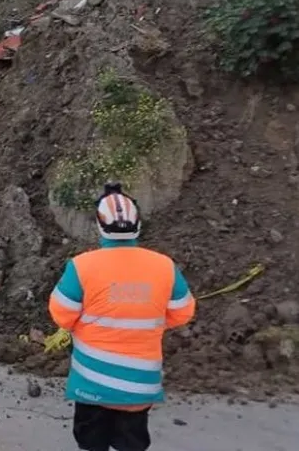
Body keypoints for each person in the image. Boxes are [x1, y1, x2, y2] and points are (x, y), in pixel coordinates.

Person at [48, 183, 196, 451]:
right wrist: (150, 321)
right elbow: (183, 312)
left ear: (99, 225)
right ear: (137, 223)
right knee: (132, 443)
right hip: (139, 385)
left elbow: (61, 315)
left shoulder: (82, 266)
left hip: (92, 383)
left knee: (92, 443)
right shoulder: (164, 266)